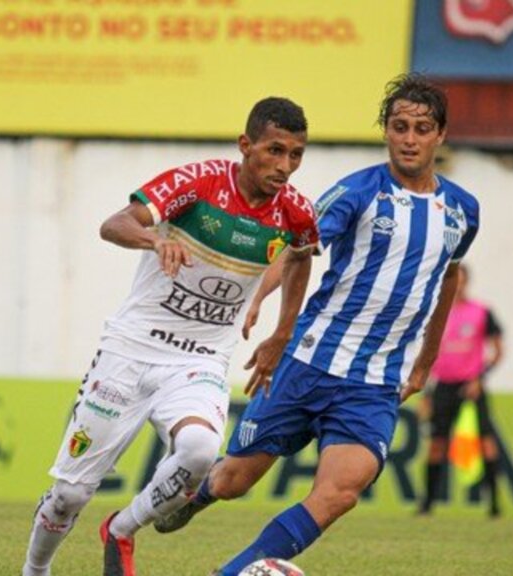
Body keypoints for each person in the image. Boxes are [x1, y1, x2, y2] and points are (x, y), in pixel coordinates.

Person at [153, 74, 481, 575]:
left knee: (340, 493)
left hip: (374, 383)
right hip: (308, 360)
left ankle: (232, 573)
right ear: (386, 132)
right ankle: (200, 494)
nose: (410, 139)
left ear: (440, 135)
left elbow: (448, 277)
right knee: (234, 481)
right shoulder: (355, 193)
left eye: (421, 128)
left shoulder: (462, 210)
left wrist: (425, 362)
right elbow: (293, 251)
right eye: (399, 127)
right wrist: (259, 302)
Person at [21, 97, 320, 576]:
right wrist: (156, 239)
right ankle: (35, 571)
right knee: (70, 495)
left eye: (296, 155)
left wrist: (281, 331)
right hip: (130, 350)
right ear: (246, 145)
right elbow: (113, 224)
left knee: (201, 451)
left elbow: (302, 256)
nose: (285, 166)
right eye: (274, 151)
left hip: (199, 359)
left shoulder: (296, 212)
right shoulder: (195, 183)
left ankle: (121, 529)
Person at [417, 264, 504, 517]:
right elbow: (427, 353)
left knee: (486, 442)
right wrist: (425, 391)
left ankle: (494, 504)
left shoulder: (482, 312)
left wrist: (481, 377)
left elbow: (497, 350)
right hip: (442, 385)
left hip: (471, 386)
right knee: (436, 444)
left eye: (460, 281)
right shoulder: (437, 313)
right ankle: (427, 504)